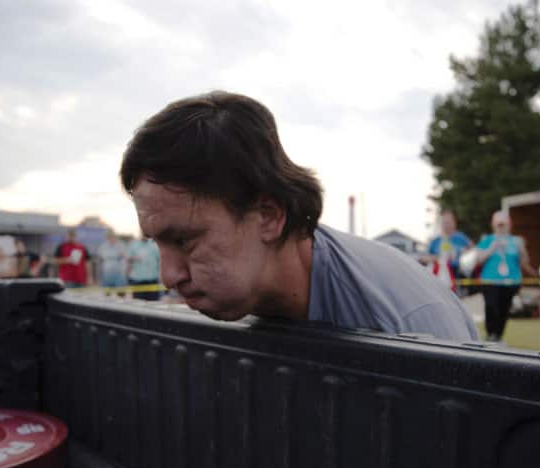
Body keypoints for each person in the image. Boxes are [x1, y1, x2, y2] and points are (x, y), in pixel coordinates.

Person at [119, 91, 477, 340]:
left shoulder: (409, 324)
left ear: (269, 216)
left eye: (184, 240)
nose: (168, 276)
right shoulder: (243, 296)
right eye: (158, 243)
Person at [473, 211, 536, 341]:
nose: (501, 227)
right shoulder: (487, 240)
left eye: (503, 224)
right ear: (493, 225)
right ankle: (490, 334)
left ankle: (498, 336)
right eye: (499, 224)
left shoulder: (516, 241)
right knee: (491, 307)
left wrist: (522, 251)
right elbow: (478, 260)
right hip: (490, 281)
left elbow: (524, 263)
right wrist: (492, 248)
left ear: (509, 224)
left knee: (504, 310)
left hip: (511, 282)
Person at [426, 211, 471, 294]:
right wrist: (436, 258)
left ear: (454, 223)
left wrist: (465, 255)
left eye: (448, 222)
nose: (446, 225)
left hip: (458, 278)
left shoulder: (461, 238)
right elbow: (425, 258)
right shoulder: (435, 241)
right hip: (439, 278)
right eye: (444, 222)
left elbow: (473, 252)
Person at [126, 236, 162, 301]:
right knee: (138, 303)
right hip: (137, 280)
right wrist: (135, 258)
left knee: (153, 303)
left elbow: (160, 260)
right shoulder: (133, 244)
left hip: (152, 279)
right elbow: (128, 258)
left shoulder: (154, 244)